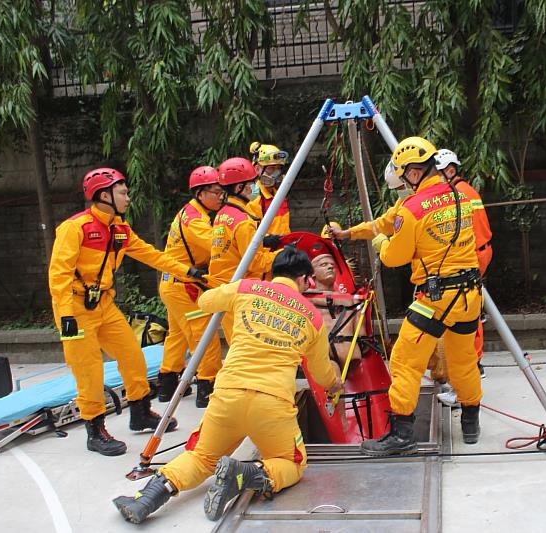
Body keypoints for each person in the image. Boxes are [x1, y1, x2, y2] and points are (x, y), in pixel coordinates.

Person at [113, 246, 342, 524]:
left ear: (273, 273)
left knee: (200, 457)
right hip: (272, 405)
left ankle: (146, 499)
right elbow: (321, 375)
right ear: (306, 279)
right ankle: (246, 473)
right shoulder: (313, 317)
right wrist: (335, 379)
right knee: (292, 463)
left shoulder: (247, 288)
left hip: (227, 396)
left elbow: (206, 301)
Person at [49, 168, 203, 456]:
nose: (128, 198)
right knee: (89, 369)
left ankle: (140, 413)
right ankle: (95, 431)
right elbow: (59, 274)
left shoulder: (120, 230)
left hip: (104, 305)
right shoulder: (76, 228)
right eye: (123, 192)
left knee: (133, 355)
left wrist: (189, 272)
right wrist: (67, 315)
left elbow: (151, 255)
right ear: (104, 195)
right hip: (74, 308)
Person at [359, 137, 483, 456]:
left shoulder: (412, 208)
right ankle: (470, 421)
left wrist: (381, 245)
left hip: (436, 299)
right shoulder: (461, 195)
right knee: (463, 361)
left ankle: (401, 433)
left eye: (403, 177)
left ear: (413, 173)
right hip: (469, 296)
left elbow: (395, 258)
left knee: (404, 360)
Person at [157, 166, 226, 409]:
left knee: (177, 335)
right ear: (200, 193)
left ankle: (166, 384)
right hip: (184, 286)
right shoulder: (196, 220)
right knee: (204, 335)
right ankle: (207, 386)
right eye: (215, 192)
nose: (221, 197)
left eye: (222, 192)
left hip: (172, 285)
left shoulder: (190, 213)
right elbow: (216, 246)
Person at [433, 149, 493, 406]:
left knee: (466, 314)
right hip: (479, 252)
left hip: (471, 257)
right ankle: (471, 368)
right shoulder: (467, 190)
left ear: (448, 170)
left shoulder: (457, 195)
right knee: (471, 311)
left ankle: (469, 372)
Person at [211, 157, 279, 342]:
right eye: (251, 183)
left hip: (225, 289)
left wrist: (263, 242)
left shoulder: (222, 215)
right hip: (242, 293)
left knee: (236, 347)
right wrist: (281, 256)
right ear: (239, 187)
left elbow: (234, 247)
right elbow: (255, 263)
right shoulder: (243, 222)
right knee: (247, 349)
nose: (254, 186)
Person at [308, 249, 364, 370]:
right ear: (313, 273)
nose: (330, 267)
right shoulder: (306, 297)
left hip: (351, 353)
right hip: (325, 354)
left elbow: (362, 334)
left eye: (332, 265)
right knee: (335, 382)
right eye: (323, 265)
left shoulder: (352, 299)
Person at [247, 141, 291, 241]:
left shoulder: (279, 195)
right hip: (268, 254)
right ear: (257, 169)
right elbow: (251, 237)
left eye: (278, 168)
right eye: (271, 168)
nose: (276, 173)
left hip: (283, 252)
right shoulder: (253, 198)